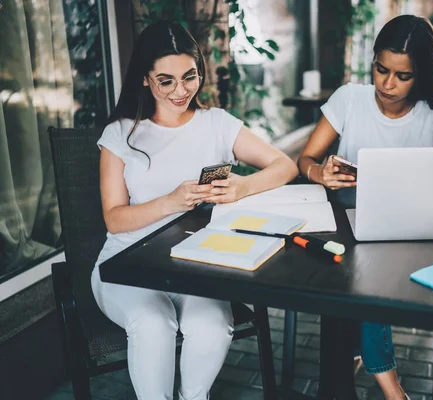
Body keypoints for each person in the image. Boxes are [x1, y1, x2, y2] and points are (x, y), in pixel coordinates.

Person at [91, 21, 298, 400]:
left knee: (212, 324)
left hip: (197, 263)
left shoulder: (216, 124)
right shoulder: (121, 134)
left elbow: (285, 165)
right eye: (165, 80)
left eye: (189, 76)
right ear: (144, 79)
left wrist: (243, 186)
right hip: (127, 263)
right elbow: (114, 218)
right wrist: (170, 201)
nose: (181, 90)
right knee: (153, 323)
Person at [297, 15, 433, 400]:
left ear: (422, 75)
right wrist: (320, 172)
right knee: (361, 271)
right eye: (381, 69)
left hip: (405, 239)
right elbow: (305, 160)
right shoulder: (350, 99)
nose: (387, 83)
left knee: (370, 273)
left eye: (403, 76)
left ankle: (382, 377)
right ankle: (387, 383)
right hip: (343, 230)